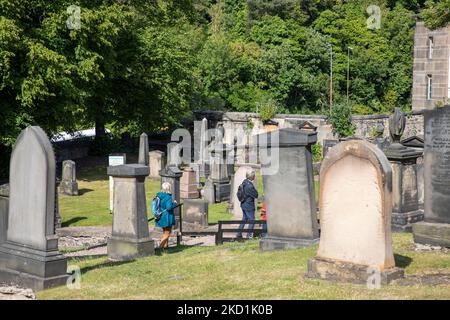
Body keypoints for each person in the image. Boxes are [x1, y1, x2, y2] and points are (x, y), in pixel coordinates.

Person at [237, 169, 259, 240]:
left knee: (244, 219)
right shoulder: (249, 186)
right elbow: (256, 194)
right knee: (252, 220)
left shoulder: (244, 182)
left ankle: (239, 233)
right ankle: (248, 236)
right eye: (254, 175)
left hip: (243, 204)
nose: (255, 176)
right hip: (249, 206)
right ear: (251, 176)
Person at [155, 182, 177, 249]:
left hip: (160, 216)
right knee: (167, 233)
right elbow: (169, 207)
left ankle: (165, 247)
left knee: (164, 231)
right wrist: (174, 204)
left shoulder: (158, 196)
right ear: (169, 188)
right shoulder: (168, 197)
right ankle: (160, 247)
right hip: (167, 217)